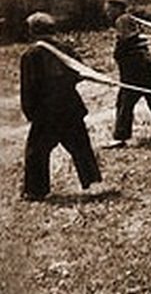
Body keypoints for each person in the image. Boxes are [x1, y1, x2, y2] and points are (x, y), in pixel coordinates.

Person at [20, 12, 103, 201]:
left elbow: (29, 87)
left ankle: (36, 190)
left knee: (37, 151)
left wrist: (30, 112)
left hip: (46, 111)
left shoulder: (31, 54)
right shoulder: (65, 48)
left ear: (33, 30)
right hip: (70, 106)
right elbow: (80, 72)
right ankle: (92, 182)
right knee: (81, 146)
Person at [103, 0, 151, 148]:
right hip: (143, 66)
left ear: (117, 8)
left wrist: (120, 47)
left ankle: (120, 137)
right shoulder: (129, 19)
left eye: (109, 10)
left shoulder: (122, 20)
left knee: (124, 102)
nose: (107, 13)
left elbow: (128, 38)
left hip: (135, 68)